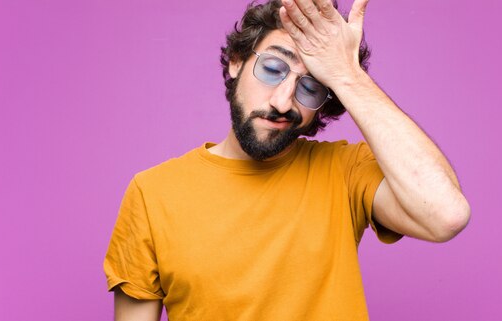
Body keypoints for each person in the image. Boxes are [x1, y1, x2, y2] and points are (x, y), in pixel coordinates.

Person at [103, 0, 471, 320]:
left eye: (310, 87)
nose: (282, 102)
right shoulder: (152, 193)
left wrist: (347, 76)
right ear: (236, 62)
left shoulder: (345, 171)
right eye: (273, 69)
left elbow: (445, 215)